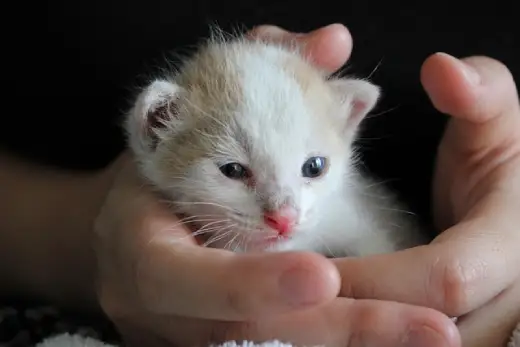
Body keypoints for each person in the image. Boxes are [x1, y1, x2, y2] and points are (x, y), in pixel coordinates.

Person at [1, 19, 519, 347]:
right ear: (156, 130)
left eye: (313, 169)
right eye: (233, 170)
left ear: (349, 122)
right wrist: (73, 242)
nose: (284, 213)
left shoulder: (349, 218)